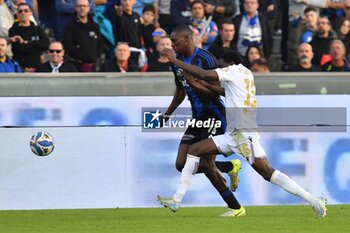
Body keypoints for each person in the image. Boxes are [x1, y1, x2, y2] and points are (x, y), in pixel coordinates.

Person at [158, 49, 327, 218]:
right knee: (194, 150)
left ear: (229, 63)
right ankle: (177, 199)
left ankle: (313, 201)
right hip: (234, 134)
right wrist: (195, 83)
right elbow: (224, 92)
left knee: (268, 173)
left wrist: (175, 61)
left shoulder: (232, 70)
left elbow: (204, 74)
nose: (219, 67)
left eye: (221, 65)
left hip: (242, 136)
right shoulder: (246, 74)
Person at [157, 24, 243, 213]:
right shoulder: (176, 61)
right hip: (197, 117)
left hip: (214, 114)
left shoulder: (206, 59)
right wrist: (168, 113)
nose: (171, 45)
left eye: (175, 41)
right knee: (181, 164)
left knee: (205, 163)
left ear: (187, 39)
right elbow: (180, 90)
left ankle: (236, 208)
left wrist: (196, 83)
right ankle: (229, 166)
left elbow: (220, 91)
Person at [63, 0, 104, 72]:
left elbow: (100, 44)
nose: (82, 8)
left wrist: (94, 57)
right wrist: (84, 58)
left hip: (94, 65)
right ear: (75, 8)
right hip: (76, 65)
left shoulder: (95, 26)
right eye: (79, 6)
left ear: (89, 8)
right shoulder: (70, 26)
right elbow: (68, 46)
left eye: (84, 6)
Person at [8, 2, 49, 71]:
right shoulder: (13, 30)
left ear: (31, 13)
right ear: (17, 14)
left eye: (26, 10)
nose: (23, 13)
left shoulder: (38, 29)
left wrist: (28, 43)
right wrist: (36, 46)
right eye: (20, 11)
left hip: (37, 67)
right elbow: (19, 49)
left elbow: (46, 44)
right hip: (20, 68)